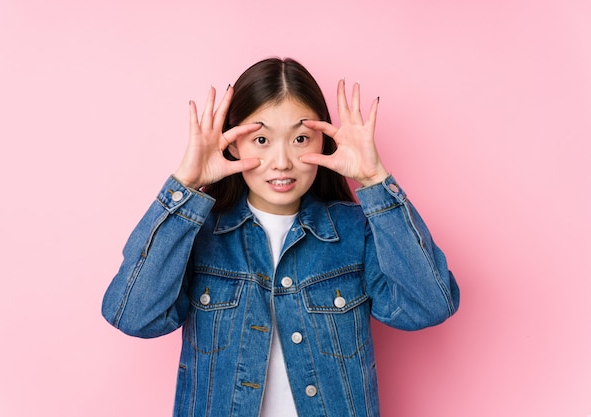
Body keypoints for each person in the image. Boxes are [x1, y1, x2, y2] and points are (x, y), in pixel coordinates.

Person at [102, 57, 460, 417]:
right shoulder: (199, 233)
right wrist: (186, 186)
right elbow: (134, 316)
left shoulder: (357, 232)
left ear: (324, 140)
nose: (282, 161)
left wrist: (375, 180)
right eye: (261, 139)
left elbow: (428, 306)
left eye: (300, 138)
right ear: (233, 144)